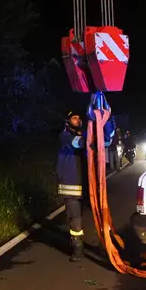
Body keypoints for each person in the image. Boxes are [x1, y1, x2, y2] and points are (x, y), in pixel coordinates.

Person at [57, 111, 88, 262]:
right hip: (71, 184)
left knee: (81, 216)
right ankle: (78, 248)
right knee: (75, 217)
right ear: (67, 121)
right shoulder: (65, 136)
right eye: (75, 118)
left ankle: (79, 244)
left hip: (83, 183)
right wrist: (91, 133)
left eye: (80, 117)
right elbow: (78, 143)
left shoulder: (82, 135)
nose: (78, 120)